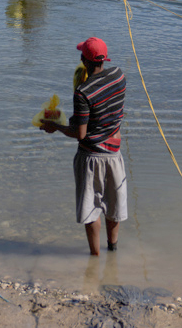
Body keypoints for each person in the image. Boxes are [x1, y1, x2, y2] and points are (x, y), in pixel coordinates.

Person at [41, 37, 128, 256]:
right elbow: (105, 111)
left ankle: (94, 258)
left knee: (91, 211)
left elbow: (80, 134)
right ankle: (113, 252)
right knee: (114, 207)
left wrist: (56, 126)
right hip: (115, 153)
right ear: (105, 59)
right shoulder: (119, 75)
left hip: (92, 157)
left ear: (83, 60)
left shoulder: (83, 92)